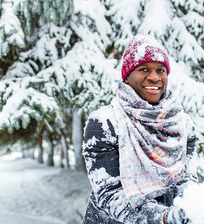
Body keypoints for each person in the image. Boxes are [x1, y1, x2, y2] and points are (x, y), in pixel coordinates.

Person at [82, 34, 197, 224]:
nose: (154, 77)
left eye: (161, 70)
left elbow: (185, 179)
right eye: (144, 69)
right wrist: (163, 218)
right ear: (127, 77)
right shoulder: (105, 123)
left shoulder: (182, 124)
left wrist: (198, 208)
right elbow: (109, 194)